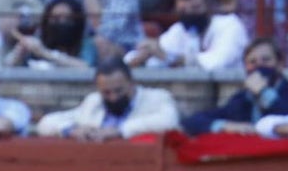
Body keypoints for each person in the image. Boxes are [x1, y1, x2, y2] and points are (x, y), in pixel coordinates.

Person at [182, 37, 288, 135]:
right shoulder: (240, 100)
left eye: (266, 60)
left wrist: (264, 92)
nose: (259, 65)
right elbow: (193, 121)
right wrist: (226, 125)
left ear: (280, 64)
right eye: (252, 62)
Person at [35, 58, 181, 142]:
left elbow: (169, 121)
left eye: (119, 90)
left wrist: (119, 131)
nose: (113, 97)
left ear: (131, 83)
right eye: (106, 93)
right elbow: (45, 123)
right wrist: (71, 130)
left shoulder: (157, 98)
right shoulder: (94, 102)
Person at [126, 0, 249, 73]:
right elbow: (149, 57)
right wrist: (143, 56)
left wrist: (169, 58)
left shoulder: (230, 25)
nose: (189, 14)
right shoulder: (179, 30)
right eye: (183, 10)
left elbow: (216, 63)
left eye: (195, 8)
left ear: (209, 7)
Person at [5, 0, 97, 70]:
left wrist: (45, 53)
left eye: (68, 19)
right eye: (56, 18)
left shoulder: (87, 44)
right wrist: (19, 54)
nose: (61, 23)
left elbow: (86, 68)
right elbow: (6, 69)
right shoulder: (38, 40)